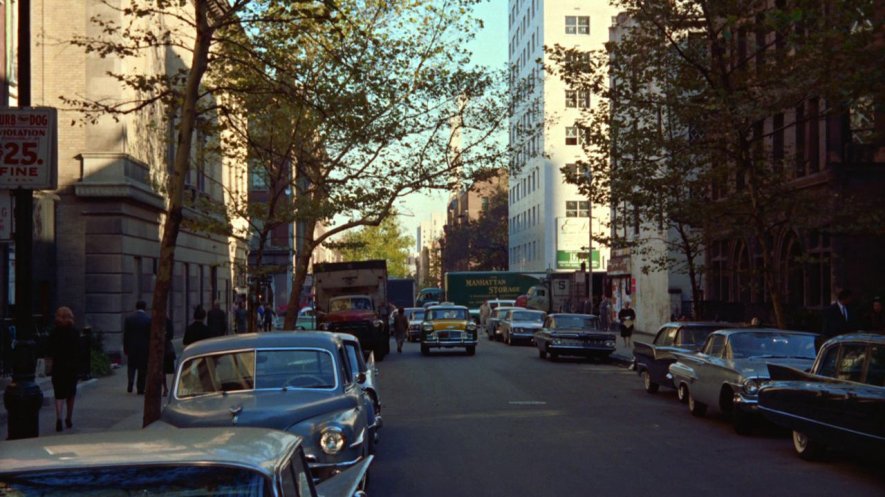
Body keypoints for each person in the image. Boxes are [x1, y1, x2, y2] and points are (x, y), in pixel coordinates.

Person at [48, 306, 80, 432]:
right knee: (71, 394)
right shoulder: (74, 332)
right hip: (71, 367)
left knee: (59, 393)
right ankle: (69, 417)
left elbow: (49, 349)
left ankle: (59, 417)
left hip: (58, 366)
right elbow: (79, 350)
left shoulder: (54, 332)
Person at [123, 300, 151, 394]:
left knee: (131, 366)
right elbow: (149, 335)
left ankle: (130, 382)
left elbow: (126, 334)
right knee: (142, 368)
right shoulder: (148, 319)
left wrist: (125, 347)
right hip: (144, 347)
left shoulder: (129, 319)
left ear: (136, 307)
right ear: (145, 307)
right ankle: (140, 388)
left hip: (132, 346)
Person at [162, 316, 175, 396]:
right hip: (166, 347)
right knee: (164, 370)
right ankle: (165, 388)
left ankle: (165, 388)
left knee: (163, 370)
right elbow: (171, 335)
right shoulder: (168, 321)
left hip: (162, 347)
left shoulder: (152, 320)